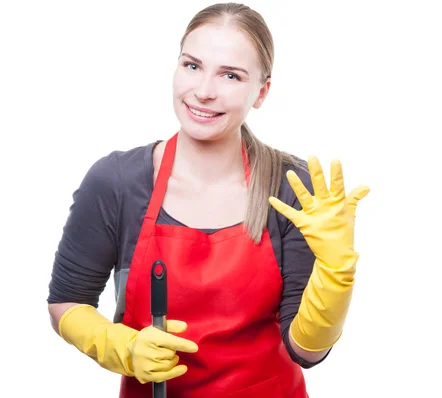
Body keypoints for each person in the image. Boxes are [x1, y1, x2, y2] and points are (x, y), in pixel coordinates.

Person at [47, 3, 369, 397]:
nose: (203, 91)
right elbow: (67, 301)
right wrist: (122, 347)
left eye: (230, 75)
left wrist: (336, 276)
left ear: (261, 92)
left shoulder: (291, 188)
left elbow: (305, 351)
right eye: (192, 66)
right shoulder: (116, 181)